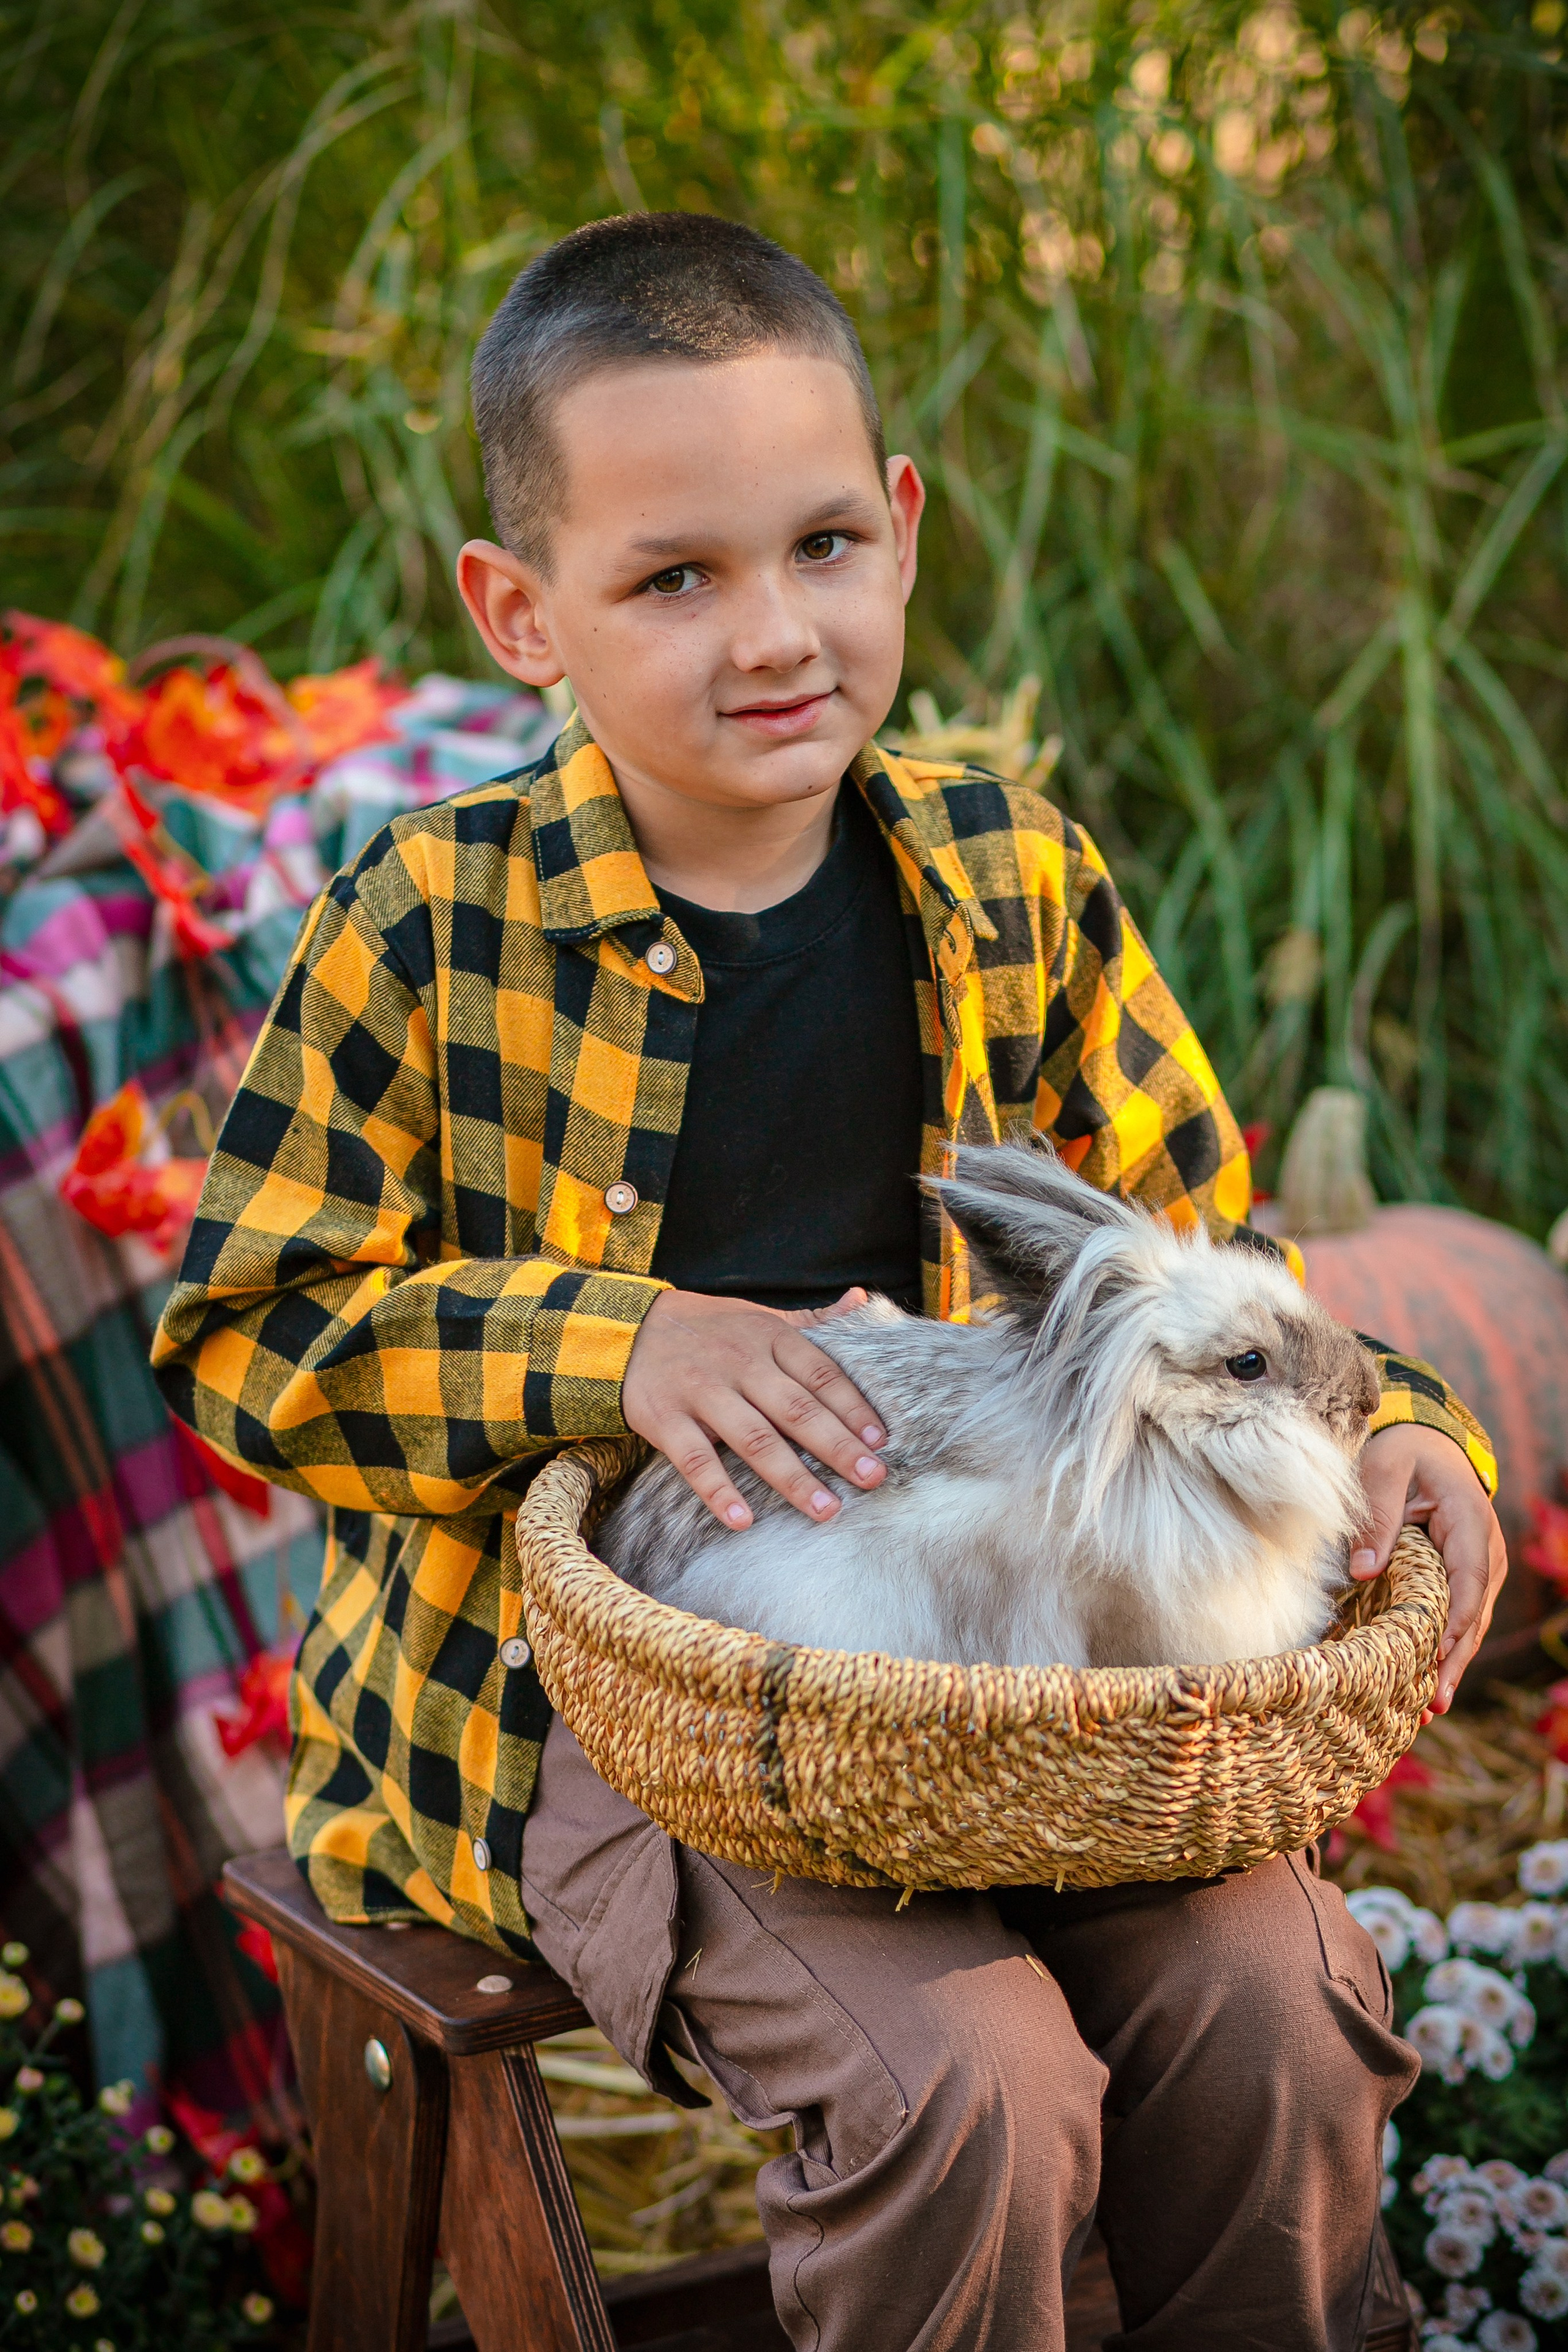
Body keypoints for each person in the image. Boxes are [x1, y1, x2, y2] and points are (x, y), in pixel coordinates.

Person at [153, 213, 1506, 2351]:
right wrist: (628, 1345)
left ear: (900, 529)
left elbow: (1214, 1262)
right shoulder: (422, 932)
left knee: (1278, 2021)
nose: (772, 633)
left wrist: (1413, 1429)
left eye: (816, 548)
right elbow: (245, 1337)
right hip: (614, 1700)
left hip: (1049, 1658)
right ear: (524, 613)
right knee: (967, 2088)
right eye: (673, 578)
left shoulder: (1013, 875)